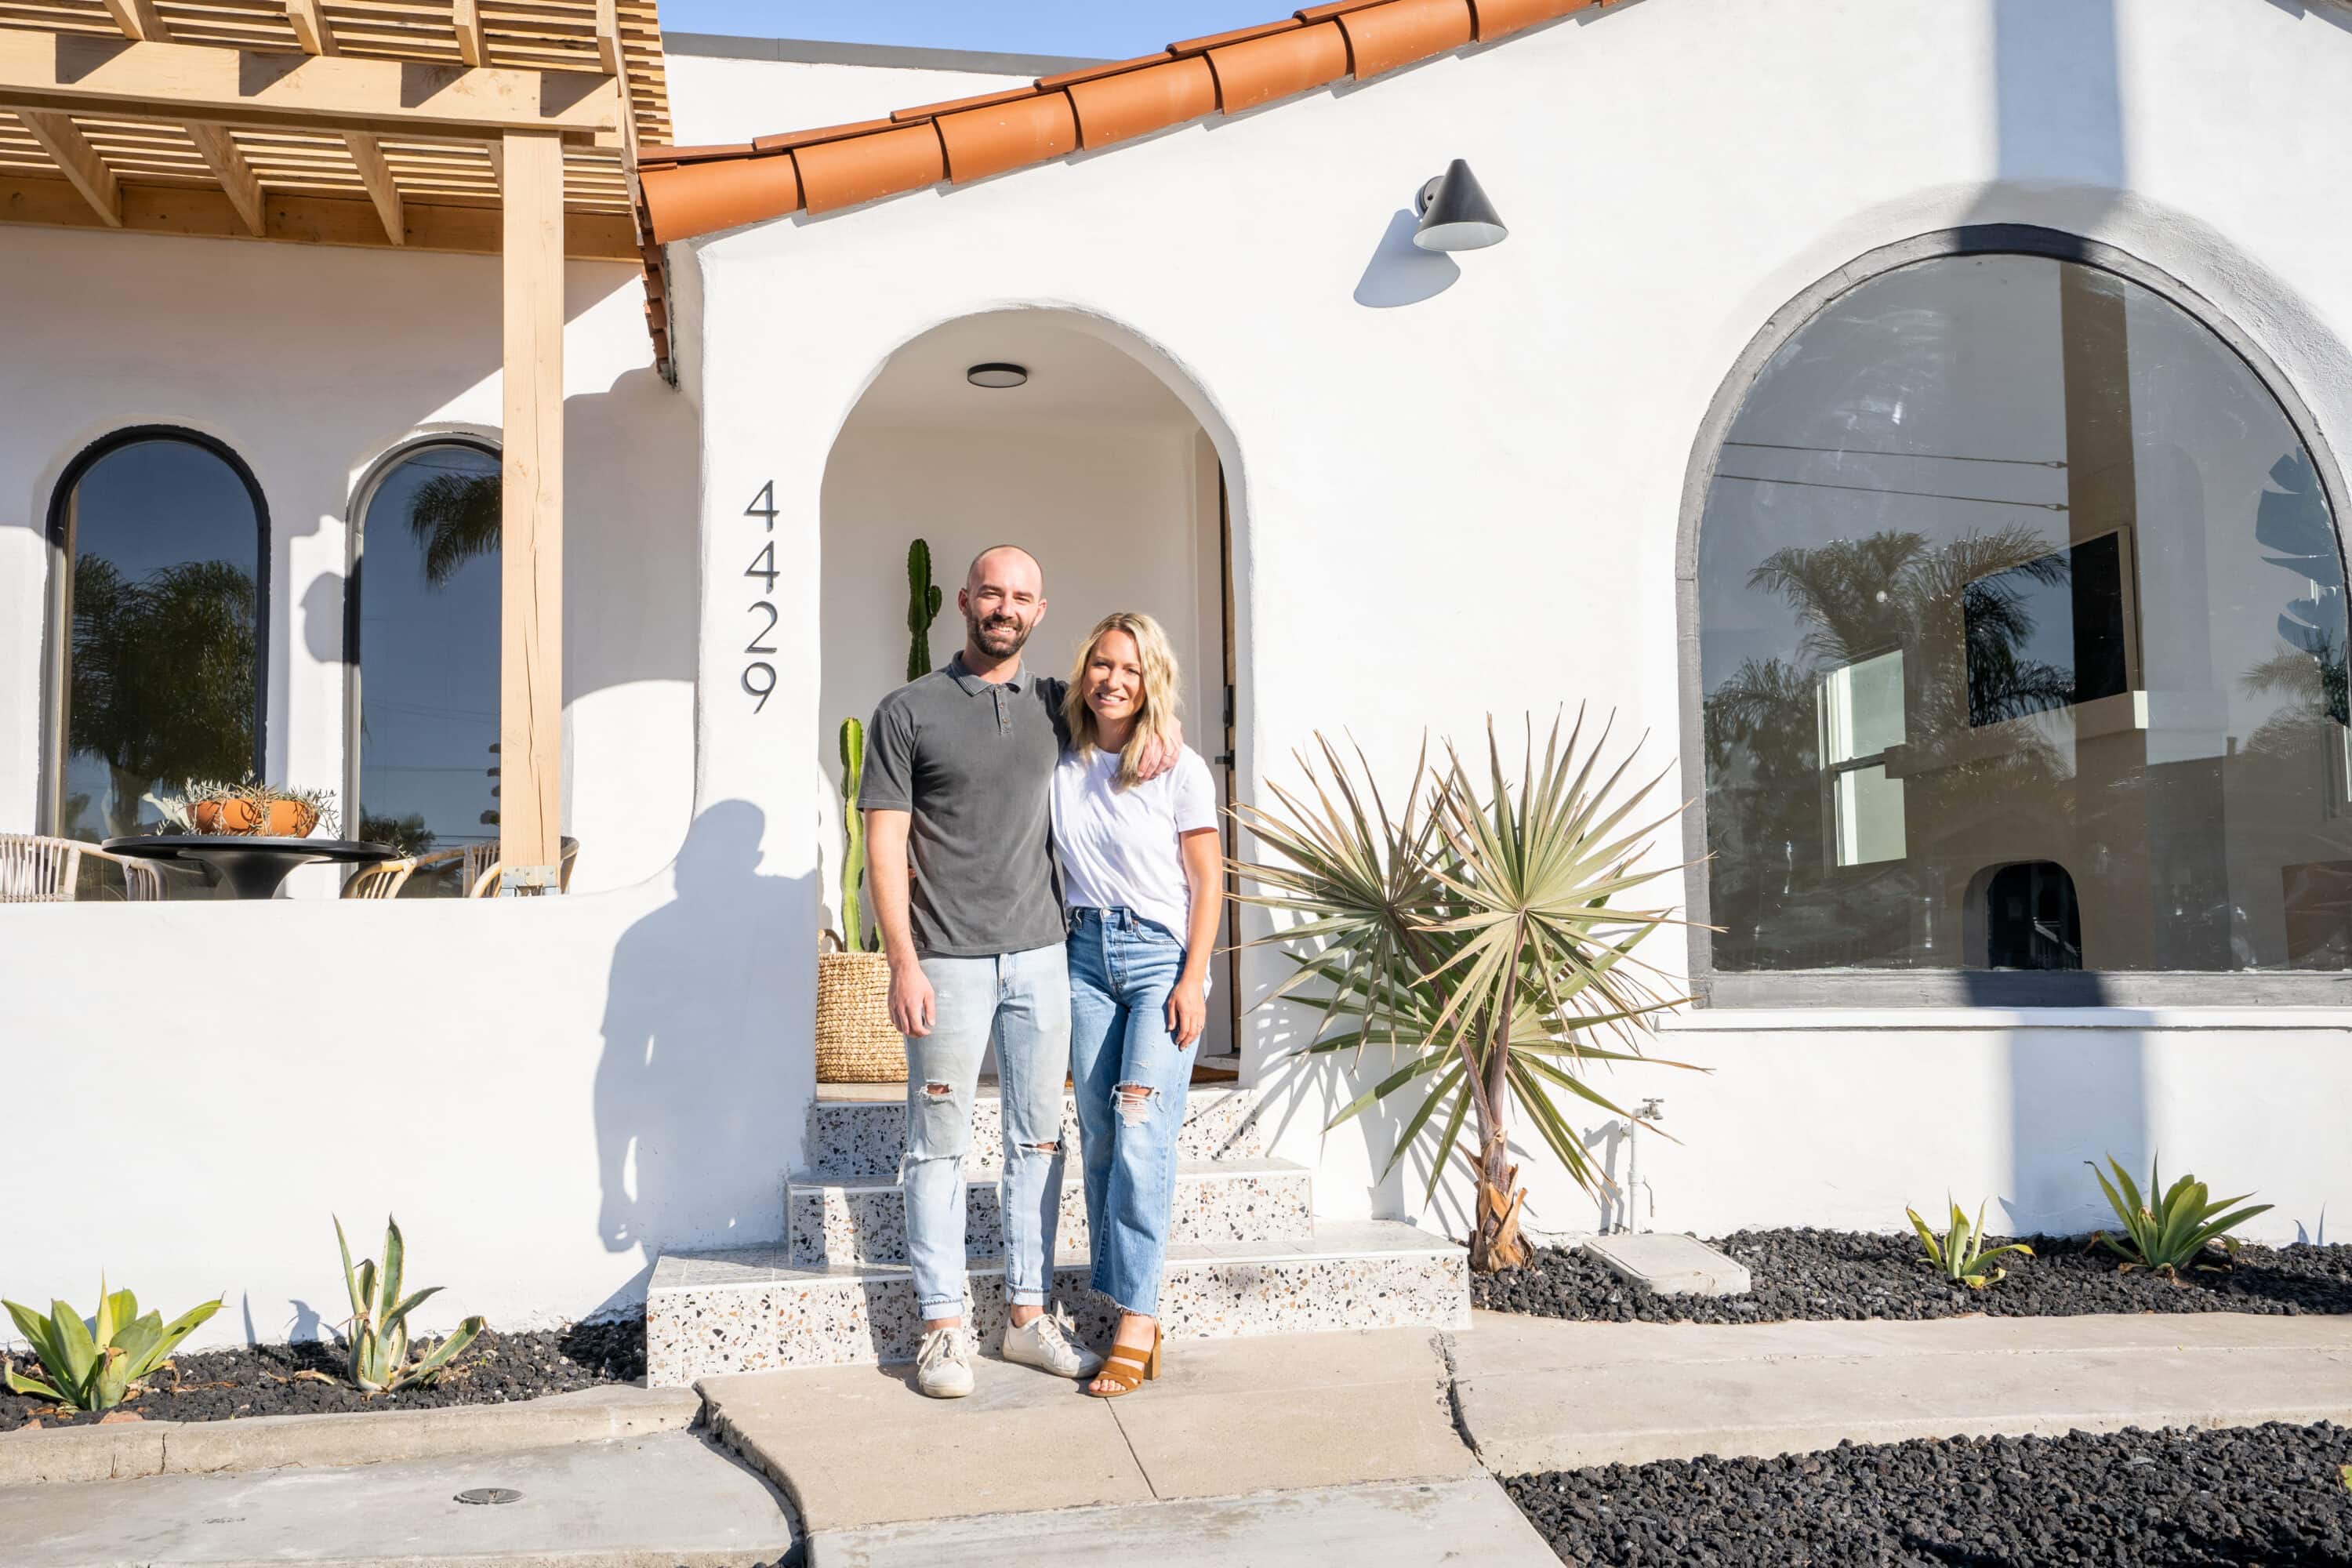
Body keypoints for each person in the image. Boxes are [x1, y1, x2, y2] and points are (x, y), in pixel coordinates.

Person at [861, 546, 1174, 1398]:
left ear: (1040, 612)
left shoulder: (1054, 706)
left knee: (1040, 1138)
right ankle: (941, 1327)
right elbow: (884, 842)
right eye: (991, 591)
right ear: (963, 600)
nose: (1004, 605)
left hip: (1043, 956)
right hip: (946, 960)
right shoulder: (908, 710)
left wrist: (1169, 726)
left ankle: (1027, 1317)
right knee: (938, 1145)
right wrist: (901, 960)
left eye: (1022, 595)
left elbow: (1129, 713)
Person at [1052, 612, 1224, 1398]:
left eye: (1130, 668)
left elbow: (1208, 879)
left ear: (1151, 677)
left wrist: (1194, 977)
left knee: (1138, 1124)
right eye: (1101, 665)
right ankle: (1123, 1295)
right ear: (1084, 672)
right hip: (1084, 954)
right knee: (1096, 1136)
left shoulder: (1180, 766)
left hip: (1160, 958)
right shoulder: (1063, 756)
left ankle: (1139, 1319)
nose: (1112, 679)